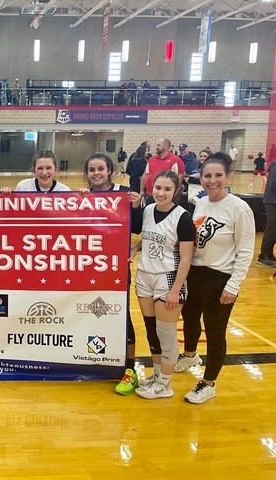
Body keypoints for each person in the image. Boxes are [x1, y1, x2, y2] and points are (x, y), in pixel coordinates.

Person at [175, 153, 255, 404]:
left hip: (220, 277)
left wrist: (234, 284)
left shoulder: (239, 208)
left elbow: (246, 250)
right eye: (207, 175)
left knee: (215, 330)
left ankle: (209, 383)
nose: (212, 180)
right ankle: (190, 355)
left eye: (218, 175)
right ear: (201, 178)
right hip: (195, 272)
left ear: (227, 177)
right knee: (189, 317)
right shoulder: (201, 203)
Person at [80, 153, 143, 395]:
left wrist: (137, 207)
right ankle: (94, 358)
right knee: (88, 313)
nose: (96, 173)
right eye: (92, 169)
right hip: (87, 268)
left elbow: (139, 228)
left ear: (109, 171)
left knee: (120, 315)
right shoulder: (82, 197)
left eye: (100, 169)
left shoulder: (124, 193)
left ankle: (130, 368)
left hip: (115, 268)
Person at [133, 171, 195, 399]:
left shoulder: (182, 217)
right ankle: (158, 375)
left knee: (166, 334)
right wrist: (136, 248)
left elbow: (186, 257)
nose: (161, 193)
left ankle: (165, 384)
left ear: (176, 191)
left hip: (167, 278)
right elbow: (151, 239)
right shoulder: (148, 210)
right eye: (158, 188)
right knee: (151, 331)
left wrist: (176, 290)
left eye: (167, 189)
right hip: (144, 275)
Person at [257, 144, 276, 267]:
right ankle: (263, 256)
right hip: (274, 202)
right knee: (272, 228)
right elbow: (274, 182)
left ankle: (269, 253)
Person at [140, 138, 185, 203]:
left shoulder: (176, 160)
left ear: (165, 146)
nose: (156, 147)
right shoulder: (152, 159)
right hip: (149, 194)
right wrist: (141, 190)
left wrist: (175, 191)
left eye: (158, 145)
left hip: (165, 195)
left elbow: (180, 176)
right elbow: (145, 175)